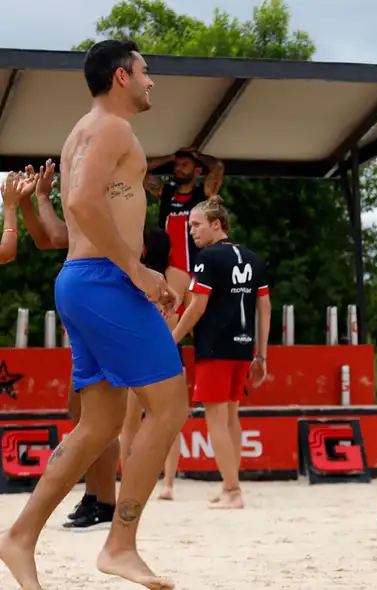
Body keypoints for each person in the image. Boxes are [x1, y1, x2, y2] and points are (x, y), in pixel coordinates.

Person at [0, 39, 190, 590]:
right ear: (121, 77)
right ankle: (120, 545)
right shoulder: (113, 130)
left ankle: (18, 537)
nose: (152, 81)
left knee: (100, 423)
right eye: (146, 71)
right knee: (171, 405)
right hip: (106, 284)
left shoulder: (77, 135)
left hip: (82, 281)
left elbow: (63, 234)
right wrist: (139, 271)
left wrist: (32, 205)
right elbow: (82, 207)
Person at [9, 160, 124, 532]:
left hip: (109, 307)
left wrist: (40, 197)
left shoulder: (107, 200)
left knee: (97, 418)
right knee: (81, 412)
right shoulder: (90, 199)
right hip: (93, 311)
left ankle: (105, 500)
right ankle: (96, 495)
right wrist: (27, 201)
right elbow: (44, 240)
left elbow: (58, 237)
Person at [170, 200, 270, 509]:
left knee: (216, 420)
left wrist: (171, 340)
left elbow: (197, 307)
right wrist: (261, 356)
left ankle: (232, 489)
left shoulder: (208, 258)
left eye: (197, 225)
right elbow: (264, 309)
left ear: (217, 224)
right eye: (189, 227)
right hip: (243, 347)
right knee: (231, 417)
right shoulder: (253, 259)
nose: (192, 232)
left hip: (214, 348)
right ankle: (230, 484)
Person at [118, 228, 190, 502]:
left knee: (130, 424)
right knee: (169, 423)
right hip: (170, 350)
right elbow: (193, 314)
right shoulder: (182, 277)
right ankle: (169, 483)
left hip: (137, 351)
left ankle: (127, 478)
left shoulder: (135, 275)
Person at [145, 147, 225, 273]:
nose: (178, 168)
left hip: (196, 270)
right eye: (176, 164)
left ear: (196, 170)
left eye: (184, 165)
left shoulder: (203, 194)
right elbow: (141, 169)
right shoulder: (165, 193)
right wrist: (170, 157)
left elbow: (218, 167)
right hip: (167, 271)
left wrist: (197, 156)